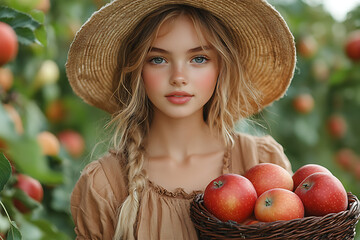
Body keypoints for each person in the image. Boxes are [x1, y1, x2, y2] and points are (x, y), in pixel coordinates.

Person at [66, 0, 296, 239]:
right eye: (158, 59)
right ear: (137, 71)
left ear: (221, 67)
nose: (178, 77)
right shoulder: (105, 184)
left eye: (198, 59)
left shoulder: (261, 163)